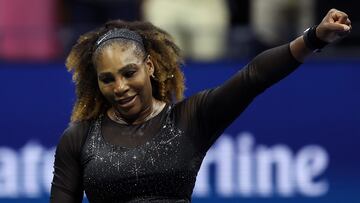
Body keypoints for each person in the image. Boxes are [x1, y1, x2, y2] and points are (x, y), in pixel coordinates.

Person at [50, 8, 351, 203]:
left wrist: (314, 38)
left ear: (150, 66)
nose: (120, 87)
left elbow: (253, 77)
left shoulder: (189, 119)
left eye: (129, 73)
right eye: (108, 79)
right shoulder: (78, 138)